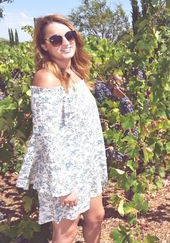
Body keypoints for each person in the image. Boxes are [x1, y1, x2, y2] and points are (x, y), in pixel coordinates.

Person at [16, 14, 108, 243]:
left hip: (85, 165)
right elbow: (48, 138)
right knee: (66, 232)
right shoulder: (46, 77)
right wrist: (63, 186)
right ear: (44, 46)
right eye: (56, 39)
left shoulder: (73, 73)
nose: (65, 42)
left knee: (96, 216)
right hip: (65, 170)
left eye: (69, 35)